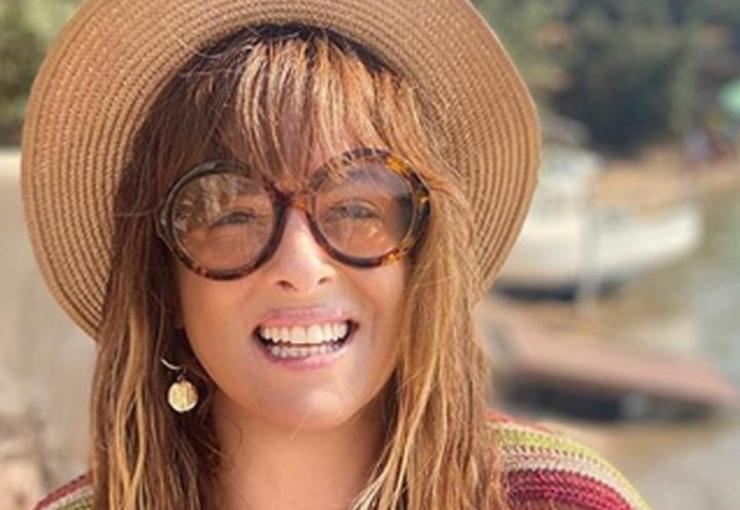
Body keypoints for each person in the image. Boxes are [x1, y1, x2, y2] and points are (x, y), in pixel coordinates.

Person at [22, 0, 652, 509]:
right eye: (232, 214)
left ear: (424, 258)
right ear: (164, 281)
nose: (301, 267)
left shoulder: (569, 503)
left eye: (357, 209)